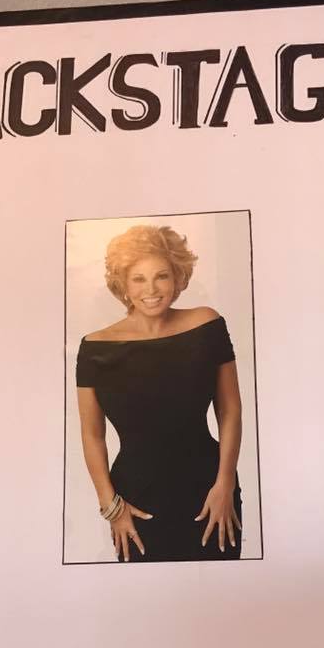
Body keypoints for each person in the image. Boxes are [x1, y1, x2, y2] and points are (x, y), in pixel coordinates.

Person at [76, 225, 243, 563]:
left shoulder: (207, 325)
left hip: (211, 493)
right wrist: (110, 506)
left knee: (221, 587)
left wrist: (225, 484)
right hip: (135, 502)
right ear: (123, 284)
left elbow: (230, 411)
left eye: (161, 276)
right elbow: (92, 435)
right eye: (138, 279)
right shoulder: (94, 348)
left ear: (178, 277)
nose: (151, 289)